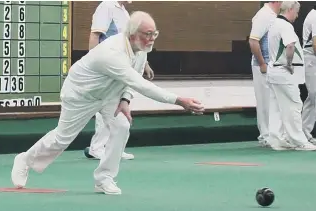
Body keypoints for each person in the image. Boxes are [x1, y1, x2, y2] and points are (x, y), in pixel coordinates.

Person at [11, 11, 204, 195]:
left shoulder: (142, 49)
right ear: (132, 34)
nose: (152, 38)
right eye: (148, 34)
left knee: (122, 125)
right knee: (61, 139)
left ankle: (104, 178)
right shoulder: (112, 52)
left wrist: (125, 100)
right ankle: (24, 159)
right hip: (81, 94)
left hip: (110, 93)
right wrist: (180, 100)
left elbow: (133, 78)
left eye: (155, 33)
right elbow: (141, 84)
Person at [86, 1, 155, 160]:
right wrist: (93, 63)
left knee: (117, 104)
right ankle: (97, 147)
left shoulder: (123, 11)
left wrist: (144, 64)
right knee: (105, 102)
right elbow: (96, 34)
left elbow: (132, 43)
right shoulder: (106, 6)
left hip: (123, 64)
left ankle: (112, 148)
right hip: (107, 63)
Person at [267, 1, 316, 151]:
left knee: (276, 108)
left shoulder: (273, 24)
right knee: (294, 106)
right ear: (290, 9)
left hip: (273, 71)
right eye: (296, 12)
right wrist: (289, 63)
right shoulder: (286, 26)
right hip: (284, 72)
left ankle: (276, 140)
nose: (297, 15)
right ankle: (299, 141)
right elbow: (290, 45)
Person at [248, 1, 282, 147]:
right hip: (263, 66)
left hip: (272, 65)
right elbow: (253, 41)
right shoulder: (264, 15)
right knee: (265, 101)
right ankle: (266, 136)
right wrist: (262, 63)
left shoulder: (273, 15)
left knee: (273, 101)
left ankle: (273, 134)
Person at [301, 6, 316, 145]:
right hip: (311, 58)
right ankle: (303, 133)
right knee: (314, 95)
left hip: (312, 58)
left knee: (312, 98)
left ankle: (304, 132)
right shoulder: (315, 16)